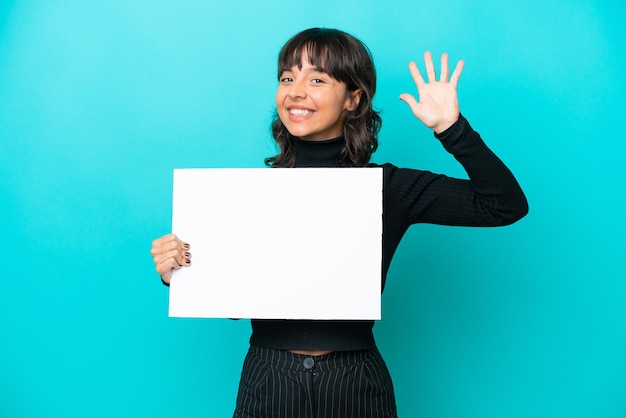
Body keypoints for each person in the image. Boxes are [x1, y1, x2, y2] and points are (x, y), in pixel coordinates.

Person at [150, 28, 528, 418]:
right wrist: (178, 268)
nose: (296, 91)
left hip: (355, 382)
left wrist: (451, 129)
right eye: (287, 78)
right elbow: (233, 302)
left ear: (353, 97)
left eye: (316, 79)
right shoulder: (252, 193)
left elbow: (504, 205)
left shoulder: (388, 187)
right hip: (269, 378)